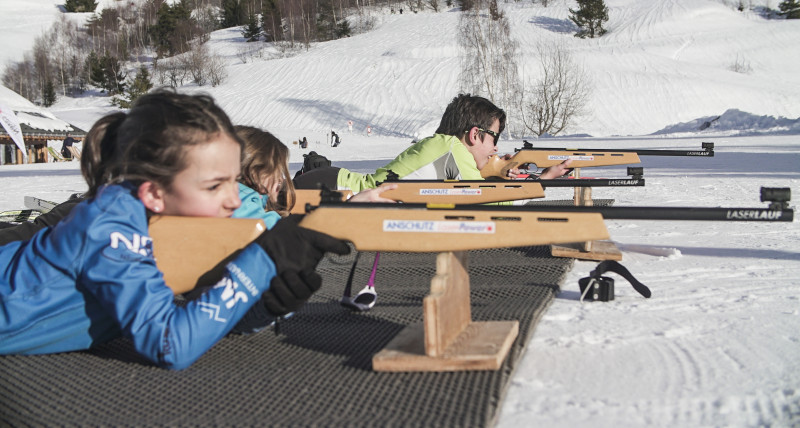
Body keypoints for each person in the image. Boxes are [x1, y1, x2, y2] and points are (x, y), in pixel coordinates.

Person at [0, 89, 350, 370]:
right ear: (154, 193)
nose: (233, 200)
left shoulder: (154, 222)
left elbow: (198, 313)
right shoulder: (111, 228)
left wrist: (263, 307)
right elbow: (170, 344)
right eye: (215, 186)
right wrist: (260, 261)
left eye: (235, 181)